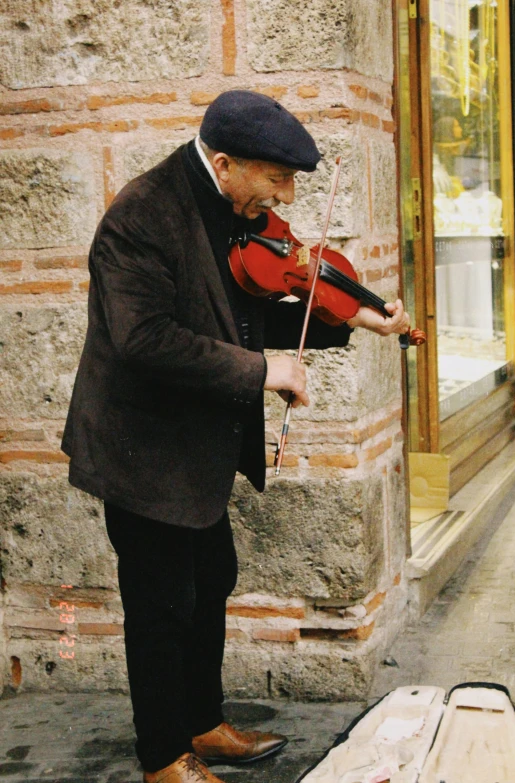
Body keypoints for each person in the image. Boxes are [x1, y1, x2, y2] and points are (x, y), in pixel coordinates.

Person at [62, 90, 410, 783]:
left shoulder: (229, 212)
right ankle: (164, 754)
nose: (283, 196)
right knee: (161, 604)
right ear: (225, 163)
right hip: (142, 445)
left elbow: (245, 314)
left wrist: (353, 320)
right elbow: (143, 340)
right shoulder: (141, 216)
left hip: (195, 446)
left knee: (210, 577)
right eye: (275, 180)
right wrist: (263, 372)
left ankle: (202, 720)